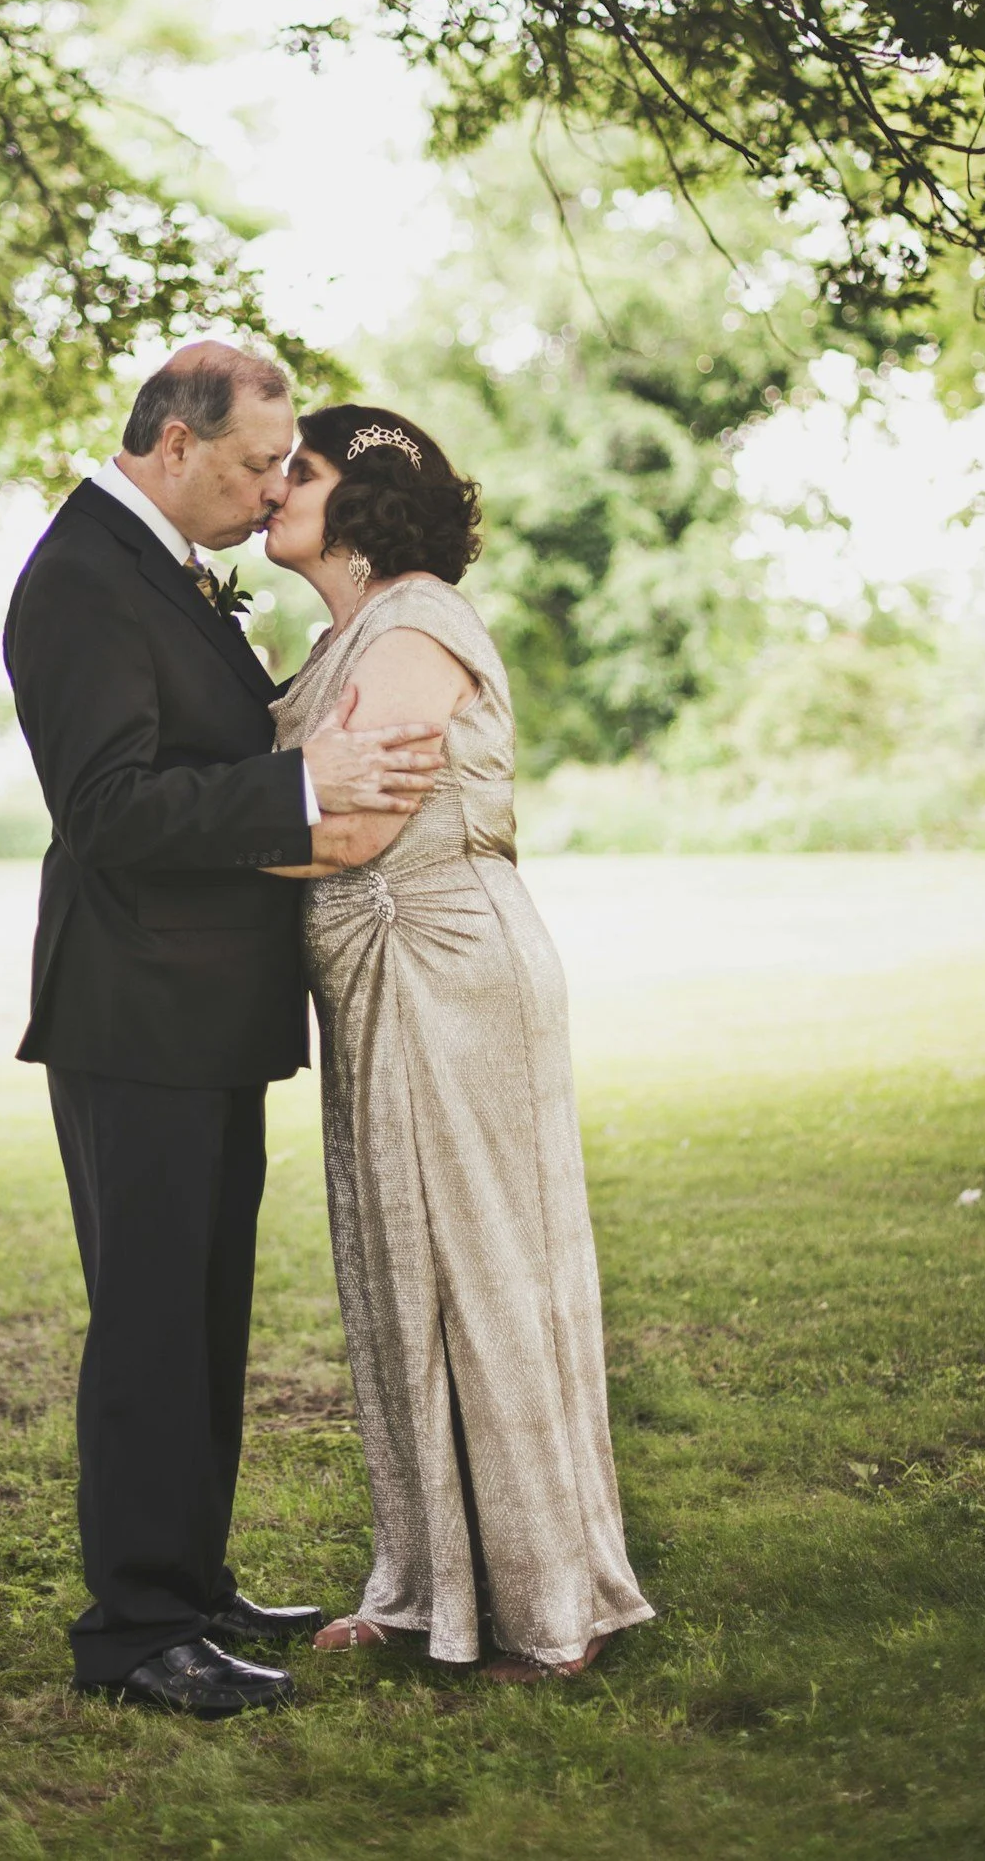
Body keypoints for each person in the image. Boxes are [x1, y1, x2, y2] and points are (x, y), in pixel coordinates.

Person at [3, 345, 446, 1716]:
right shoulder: (81, 579)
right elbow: (110, 810)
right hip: (133, 1012)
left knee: (200, 1319)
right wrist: (296, 787)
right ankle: (134, 1633)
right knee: (148, 1326)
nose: (271, 495)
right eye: (260, 465)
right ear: (175, 444)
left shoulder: (166, 571)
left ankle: (189, 1584)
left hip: (197, 1012)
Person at [262, 404, 655, 1679]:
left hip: (442, 967)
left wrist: (156, 844)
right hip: (376, 985)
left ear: (362, 504)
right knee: (401, 1281)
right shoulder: (346, 634)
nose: (273, 485)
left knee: (482, 1275)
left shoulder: (417, 616)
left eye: (298, 470)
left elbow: (358, 827)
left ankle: (547, 1607)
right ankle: (432, 1582)